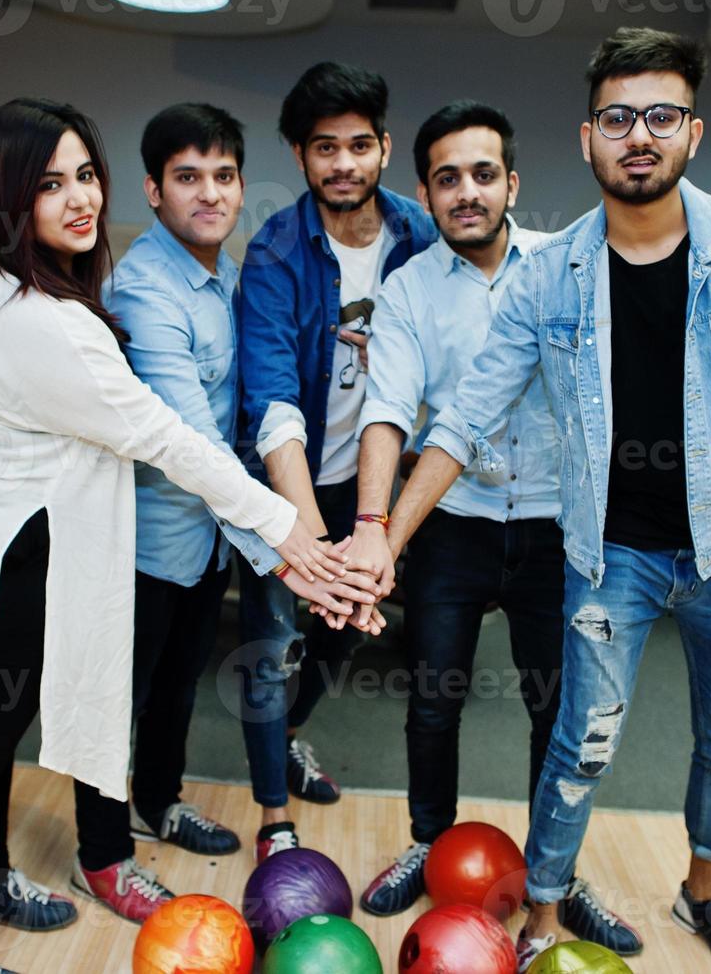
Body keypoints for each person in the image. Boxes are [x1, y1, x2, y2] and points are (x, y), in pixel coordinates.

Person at [351, 29, 711, 973]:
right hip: (607, 553)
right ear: (587, 139)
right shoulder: (549, 276)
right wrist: (383, 537)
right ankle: (543, 912)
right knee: (578, 745)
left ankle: (703, 892)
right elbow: (461, 419)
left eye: (660, 116)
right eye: (618, 118)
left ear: (692, 133)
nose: (639, 135)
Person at [0, 97, 364, 974]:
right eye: (48, 183)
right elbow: (166, 437)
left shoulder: (27, 284)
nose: (78, 198)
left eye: (83, 175)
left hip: (12, 534)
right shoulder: (52, 321)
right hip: (4, 551)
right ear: (8, 198)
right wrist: (293, 535)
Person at [64, 103, 380, 923]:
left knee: (175, 685)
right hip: (142, 538)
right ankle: (99, 858)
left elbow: (254, 396)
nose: (208, 193)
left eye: (223, 176)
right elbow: (192, 441)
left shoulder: (227, 275)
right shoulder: (144, 289)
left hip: (203, 541)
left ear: (241, 185)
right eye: (187, 177)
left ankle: (158, 801)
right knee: (117, 703)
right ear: (154, 190)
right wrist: (289, 549)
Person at [350, 100, 563, 917]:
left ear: (511, 182)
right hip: (453, 525)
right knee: (433, 700)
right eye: (447, 179)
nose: (465, 192)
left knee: (557, 707)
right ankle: (427, 844)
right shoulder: (406, 291)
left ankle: (552, 872)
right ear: (426, 192)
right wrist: (375, 530)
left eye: (482, 174)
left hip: (555, 528)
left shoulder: (563, 268)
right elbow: (388, 409)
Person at [234, 61, 438, 862]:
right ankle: (272, 814)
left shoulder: (418, 236)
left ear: (384, 147)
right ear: (299, 155)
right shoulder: (276, 254)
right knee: (272, 636)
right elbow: (273, 403)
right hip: (288, 482)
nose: (344, 164)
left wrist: (363, 533)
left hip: (371, 479)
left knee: (342, 639)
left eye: (359, 145)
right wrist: (309, 546)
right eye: (325, 148)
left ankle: (285, 733)